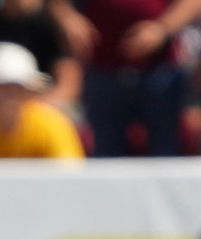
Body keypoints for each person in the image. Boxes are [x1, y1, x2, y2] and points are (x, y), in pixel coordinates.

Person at [48, 0, 201, 156]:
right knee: (106, 158)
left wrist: (162, 29)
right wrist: (68, 17)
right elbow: (58, 4)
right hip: (102, 72)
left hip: (160, 74)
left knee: (165, 155)